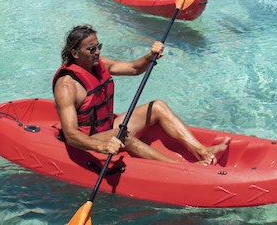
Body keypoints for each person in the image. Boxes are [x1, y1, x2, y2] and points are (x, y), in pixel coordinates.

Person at [53, 24, 229, 163]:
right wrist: (102, 146)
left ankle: (202, 151)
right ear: (75, 53)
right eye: (91, 49)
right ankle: (180, 168)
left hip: (108, 126)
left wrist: (150, 55)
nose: (97, 52)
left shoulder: (100, 64)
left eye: (98, 46)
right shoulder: (67, 87)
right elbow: (71, 135)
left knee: (157, 106)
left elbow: (134, 68)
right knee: (121, 133)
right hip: (89, 140)